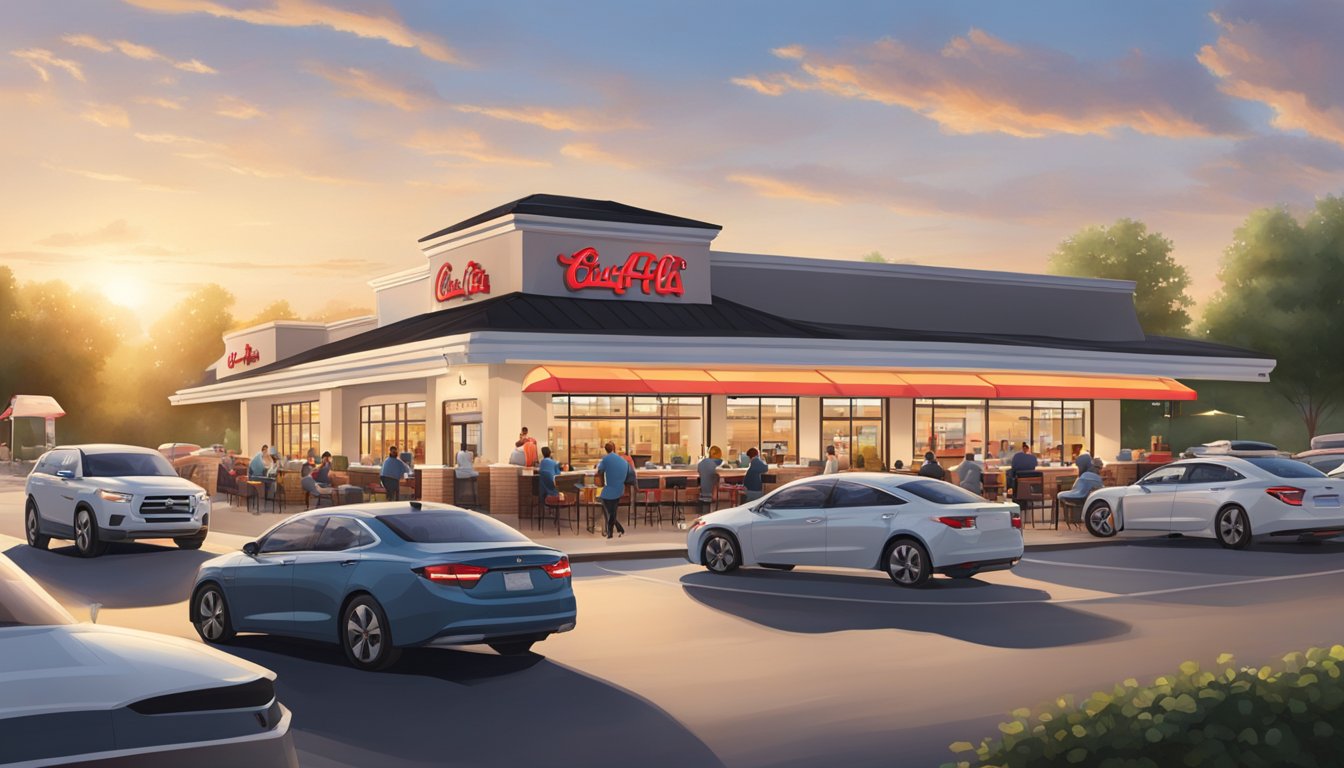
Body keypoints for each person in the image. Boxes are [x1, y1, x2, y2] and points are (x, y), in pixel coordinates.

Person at [596, 442, 628, 538]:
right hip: (620, 489)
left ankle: (610, 532)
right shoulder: (622, 460)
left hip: (610, 490)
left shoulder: (606, 459)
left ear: (605, 450)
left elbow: (600, 471)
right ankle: (619, 528)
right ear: (614, 448)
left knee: (609, 510)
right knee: (612, 511)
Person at [1057, 459, 1104, 524]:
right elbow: (1101, 489)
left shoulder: (1085, 475)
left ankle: (1067, 518)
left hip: (1079, 495)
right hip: (1086, 497)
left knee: (1060, 496)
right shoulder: (1095, 478)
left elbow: (1074, 488)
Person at [697, 445, 723, 511]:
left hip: (702, 493)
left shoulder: (702, 463)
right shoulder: (719, 465)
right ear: (719, 454)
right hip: (714, 494)